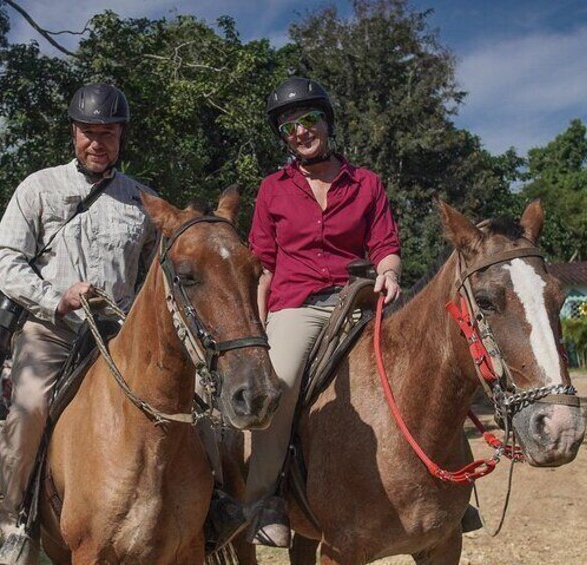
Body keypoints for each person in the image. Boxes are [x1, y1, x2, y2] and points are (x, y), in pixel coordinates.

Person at [0, 83, 157, 564]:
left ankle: (214, 509)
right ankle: (19, 523)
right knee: (28, 408)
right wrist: (54, 298)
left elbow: (157, 275)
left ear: (122, 136)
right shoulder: (38, 187)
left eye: (107, 133)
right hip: (54, 331)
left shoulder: (144, 201)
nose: (96, 142)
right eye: (87, 132)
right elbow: (3, 259)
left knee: (198, 403)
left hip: (121, 336)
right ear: (73, 133)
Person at [246, 77, 402, 547]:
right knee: (280, 388)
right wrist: (257, 329)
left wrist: (390, 274)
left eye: (309, 120)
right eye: (288, 127)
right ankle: (260, 501)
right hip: (296, 306)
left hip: (355, 301)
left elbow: (386, 248)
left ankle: (454, 493)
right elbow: (263, 267)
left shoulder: (367, 183)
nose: (300, 132)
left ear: (327, 123)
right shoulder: (272, 189)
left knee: (416, 369)